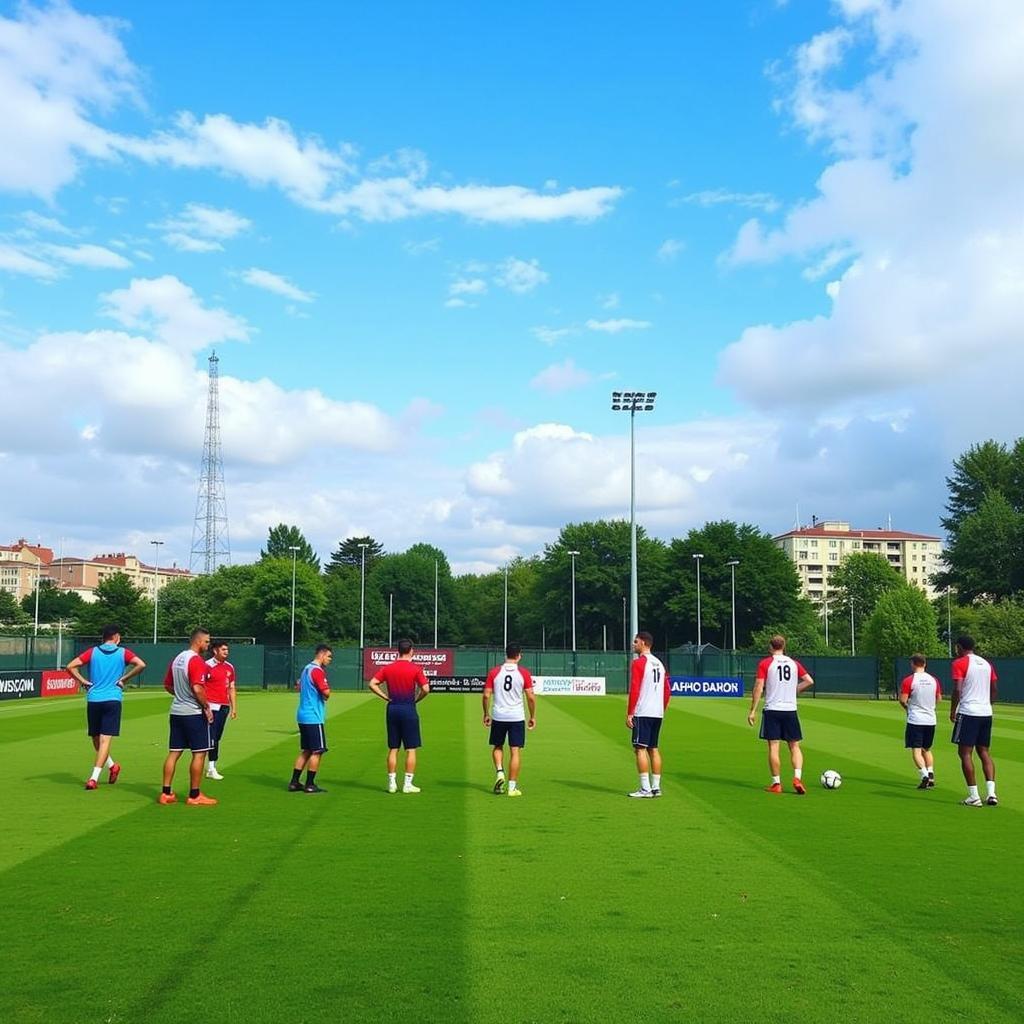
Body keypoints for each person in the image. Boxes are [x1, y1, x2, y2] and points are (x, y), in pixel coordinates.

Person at [65, 625, 146, 790]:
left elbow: (70, 666)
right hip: (109, 699)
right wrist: (124, 679)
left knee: (100, 739)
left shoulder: (93, 652)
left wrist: (83, 682)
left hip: (97, 699)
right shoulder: (123, 652)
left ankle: (93, 778)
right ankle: (112, 766)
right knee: (98, 739)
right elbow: (141, 664)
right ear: (116, 637)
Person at [747, 634, 814, 794]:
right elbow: (809, 680)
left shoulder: (766, 663)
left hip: (772, 709)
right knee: (794, 746)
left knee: (774, 746)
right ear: (784, 646)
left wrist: (752, 710)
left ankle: (776, 783)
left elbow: (758, 686)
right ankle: (797, 777)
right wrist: (796, 690)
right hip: (790, 709)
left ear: (770, 647)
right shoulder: (794, 663)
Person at [160, 627, 217, 806]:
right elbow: (198, 688)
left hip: (176, 711)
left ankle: (166, 793)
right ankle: (194, 795)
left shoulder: (178, 658)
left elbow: (168, 685)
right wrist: (206, 707)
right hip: (193, 713)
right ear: (198, 641)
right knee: (199, 753)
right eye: (207, 641)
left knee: (174, 752)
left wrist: (180, 696)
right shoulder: (197, 661)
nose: (208, 645)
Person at [368, 639, 430, 793]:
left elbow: (372, 683)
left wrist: (384, 697)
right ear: (411, 651)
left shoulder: (388, 668)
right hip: (408, 708)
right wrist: (417, 699)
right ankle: (408, 784)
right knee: (411, 748)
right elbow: (426, 689)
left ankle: (391, 783)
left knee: (393, 748)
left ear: (398, 651)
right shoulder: (415, 668)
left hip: (392, 708)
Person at [950, 635, 998, 807]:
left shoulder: (959, 663)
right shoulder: (986, 664)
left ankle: (974, 796)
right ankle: (992, 794)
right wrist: (987, 705)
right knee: (984, 751)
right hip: (986, 712)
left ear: (959, 647)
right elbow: (994, 689)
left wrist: (952, 709)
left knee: (964, 753)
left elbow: (957, 688)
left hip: (969, 712)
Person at [483, 643, 536, 797]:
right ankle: (512, 788)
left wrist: (486, 713)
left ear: (505, 654)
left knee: (497, 746)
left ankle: (500, 772)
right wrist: (532, 716)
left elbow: (486, 695)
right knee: (515, 751)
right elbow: (531, 697)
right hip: (516, 716)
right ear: (519, 655)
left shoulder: (494, 672)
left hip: (499, 716)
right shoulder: (524, 673)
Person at [625, 631, 669, 798]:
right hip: (657, 713)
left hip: (643, 711)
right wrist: (661, 709)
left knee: (640, 749)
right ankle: (656, 787)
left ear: (643, 643)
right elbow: (667, 691)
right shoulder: (659, 663)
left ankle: (645, 788)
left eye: (635, 642)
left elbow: (635, 688)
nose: (633, 644)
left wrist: (630, 713)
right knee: (654, 748)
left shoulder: (639, 663)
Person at [289, 644, 333, 793]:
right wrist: (325, 693)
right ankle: (310, 784)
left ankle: (294, 782)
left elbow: (299, 688)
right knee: (317, 750)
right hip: (313, 716)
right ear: (321, 655)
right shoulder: (317, 671)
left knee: (306, 750)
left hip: (302, 714)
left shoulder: (306, 669)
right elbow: (326, 692)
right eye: (328, 656)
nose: (329, 660)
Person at [899, 654, 941, 789]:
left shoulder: (909, 680)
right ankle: (931, 773)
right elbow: (938, 699)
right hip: (931, 719)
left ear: (912, 664)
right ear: (925, 664)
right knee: (927, 749)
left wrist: (908, 708)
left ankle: (924, 775)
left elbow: (903, 700)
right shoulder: (934, 680)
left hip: (916, 719)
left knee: (916, 751)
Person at [204, 640, 237, 781]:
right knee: (212, 738)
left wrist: (234, 707)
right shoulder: (207, 666)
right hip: (211, 706)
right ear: (215, 650)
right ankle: (211, 768)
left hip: (224, 706)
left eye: (227, 650)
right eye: (223, 649)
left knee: (216, 737)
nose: (226, 652)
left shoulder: (230, 667)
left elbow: (231, 687)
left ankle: (210, 766)